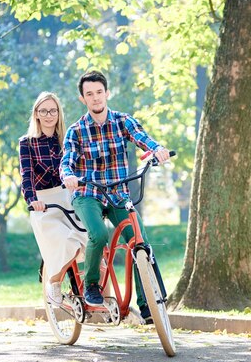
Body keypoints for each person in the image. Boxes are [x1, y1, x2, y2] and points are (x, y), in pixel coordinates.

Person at [60, 71, 170, 321]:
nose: (96, 98)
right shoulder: (76, 131)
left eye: (99, 92)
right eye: (90, 94)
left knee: (139, 241)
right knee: (99, 234)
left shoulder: (123, 121)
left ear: (107, 93)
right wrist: (68, 175)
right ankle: (91, 286)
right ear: (83, 99)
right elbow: (67, 161)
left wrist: (158, 150)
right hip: (88, 193)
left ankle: (148, 305)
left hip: (118, 193)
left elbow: (143, 139)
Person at [19, 92, 88, 307]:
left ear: (59, 113)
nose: (49, 115)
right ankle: (54, 281)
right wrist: (32, 200)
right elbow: (26, 176)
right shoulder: (27, 143)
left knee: (91, 240)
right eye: (43, 111)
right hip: (44, 203)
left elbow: (78, 166)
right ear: (36, 114)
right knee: (67, 243)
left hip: (67, 197)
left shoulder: (67, 139)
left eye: (53, 110)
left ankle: (92, 291)